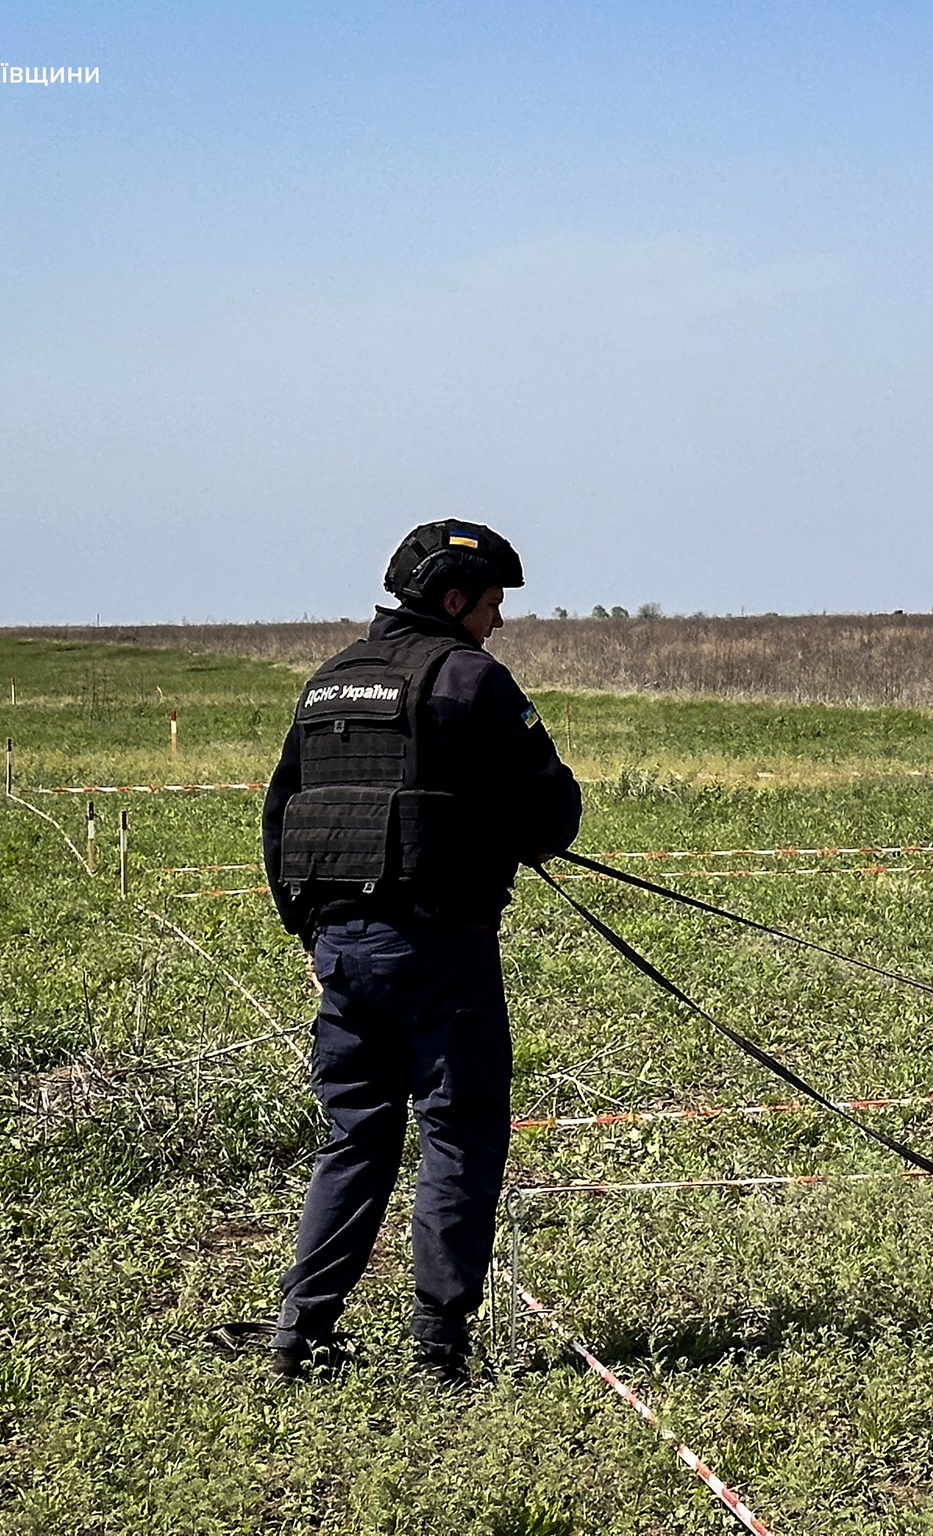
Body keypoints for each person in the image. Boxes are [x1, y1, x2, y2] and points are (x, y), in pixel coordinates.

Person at [260, 520, 581, 1384]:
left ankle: (301, 1332)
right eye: (493, 604)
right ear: (454, 598)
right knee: (460, 1134)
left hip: (340, 952)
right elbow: (552, 812)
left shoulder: (329, 681)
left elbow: (281, 816)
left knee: (355, 1137)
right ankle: (439, 1347)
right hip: (441, 949)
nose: (498, 622)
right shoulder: (470, 678)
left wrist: (311, 932)